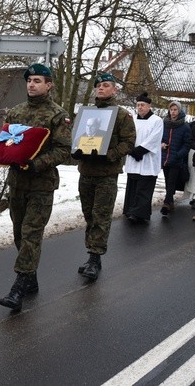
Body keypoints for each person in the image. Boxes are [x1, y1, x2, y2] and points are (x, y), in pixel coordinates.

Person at [0, 63, 71, 311]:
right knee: (19, 232)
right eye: (29, 80)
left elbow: (63, 150)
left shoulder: (57, 115)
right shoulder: (15, 112)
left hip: (41, 183)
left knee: (31, 233)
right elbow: (5, 142)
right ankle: (30, 277)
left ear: (48, 85)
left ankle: (18, 286)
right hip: (17, 182)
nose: (32, 84)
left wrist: (36, 163)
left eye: (37, 80)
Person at [71, 72, 135, 280]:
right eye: (98, 85)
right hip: (86, 171)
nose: (101, 88)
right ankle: (91, 252)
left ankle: (95, 258)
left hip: (107, 174)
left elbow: (129, 142)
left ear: (115, 90)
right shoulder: (86, 113)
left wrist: (110, 155)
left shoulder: (122, 115)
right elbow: (77, 137)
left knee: (101, 215)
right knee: (89, 214)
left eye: (106, 85)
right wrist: (76, 149)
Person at [122, 92, 163, 224]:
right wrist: (131, 150)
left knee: (144, 188)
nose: (140, 107)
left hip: (148, 159)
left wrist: (139, 151)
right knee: (133, 186)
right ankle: (130, 210)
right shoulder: (132, 119)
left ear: (149, 106)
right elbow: (127, 135)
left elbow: (154, 139)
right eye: (138, 105)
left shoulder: (157, 121)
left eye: (143, 105)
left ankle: (139, 213)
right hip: (133, 158)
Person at [160, 100, 191, 217]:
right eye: (171, 110)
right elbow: (160, 137)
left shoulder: (185, 126)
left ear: (179, 111)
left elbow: (187, 144)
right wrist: (162, 144)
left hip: (176, 159)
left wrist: (179, 155)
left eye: (175, 110)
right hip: (165, 157)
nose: (173, 112)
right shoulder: (164, 123)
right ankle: (171, 202)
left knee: (172, 181)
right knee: (168, 181)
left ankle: (166, 204)